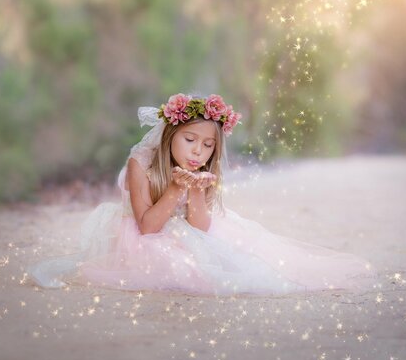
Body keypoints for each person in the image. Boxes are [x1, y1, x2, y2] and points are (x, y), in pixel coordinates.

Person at [27, 93, 378, 296]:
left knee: (246, 257)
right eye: (190, 140)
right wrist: (177, 188)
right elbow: (147, 227)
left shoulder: (199, 169)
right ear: (169, 136)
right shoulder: (141, 165)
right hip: (145, 231)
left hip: (184, 229)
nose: (198, 152)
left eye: (208, 145)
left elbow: (201, 227)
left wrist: (195, 191)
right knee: (181, 270)